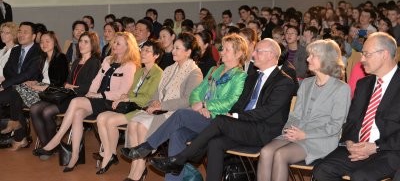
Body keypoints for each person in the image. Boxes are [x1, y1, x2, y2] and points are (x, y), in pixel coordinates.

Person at [148, 38, 297, 181]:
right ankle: (183, 160)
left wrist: (235, 116)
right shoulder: (252, 77)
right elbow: (239, 103)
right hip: (245, 126)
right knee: (215, 143)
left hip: (264, 131)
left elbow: (266, 111)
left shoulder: (284, 81)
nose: (253, 54)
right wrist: (233, 113)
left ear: (271, 55)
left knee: (219, 120)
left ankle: (180, 159)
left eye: (258, 51)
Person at [121, 33, 248, 181]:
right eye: (222, 48)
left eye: (226, 49)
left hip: (217, 120)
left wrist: (206, 104)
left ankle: (147, 147)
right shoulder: (215, 69)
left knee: (181, 114)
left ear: (238, 53)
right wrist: (199, 105)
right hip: (201, 115)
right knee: (177, 134)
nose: (222, 52)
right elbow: (197, 92)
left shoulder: (240, 76)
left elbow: (231, 101)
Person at [33, 32, 140, 172]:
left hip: (112, 102)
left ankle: (56, 140)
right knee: (77, 114)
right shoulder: (107, 59)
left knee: (76, 102)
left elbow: (122, 92)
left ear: (128, 47)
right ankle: (74, 156)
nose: (114, 45)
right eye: (114, 42)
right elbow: (97, 80)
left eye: (118, 43)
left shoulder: (130, 65)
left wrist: (99, 95)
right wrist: (91, 92)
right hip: (98, 99)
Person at [257, 39, 351, 181]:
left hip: (321, 139)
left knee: (280, 154)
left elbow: (335, 126)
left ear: (326, 59)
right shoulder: (306, 83)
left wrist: (305, 135)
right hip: (298, 132)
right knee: (265, 151)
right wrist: (289, 130)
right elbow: (296, 114)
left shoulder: (341, 88)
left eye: (313, 56)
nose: (308, 59)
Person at [313, 32, 400, 181]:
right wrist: (350, 142)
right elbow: (352, 120)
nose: (362, 59)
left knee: (360, 177)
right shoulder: (364, 84)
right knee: (322, 171)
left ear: (384, 54)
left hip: (389, 150)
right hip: (357, 146)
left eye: (366, 54)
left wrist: (375, 147)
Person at [121, 32, 203, 181]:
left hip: (175, 114)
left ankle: (138, 172)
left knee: (141, 126)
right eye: (174, 48)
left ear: (188, 52)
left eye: (178, 48)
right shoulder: (169, 69)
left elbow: (187, 100)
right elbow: (158, 93)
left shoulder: (194, 72)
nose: (173, 51)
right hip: (160, 109)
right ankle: (136, 168)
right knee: (133, 123)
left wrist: (161, 105)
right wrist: (152, 103)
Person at [95, 39, 163, 175]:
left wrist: (128, 98)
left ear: (156, 56)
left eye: (147, 51)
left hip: (142, 109)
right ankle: (109, 152)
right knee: (101, 117)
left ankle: (114, 156)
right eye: (142, 50)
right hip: (132, 107)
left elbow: (147, 98)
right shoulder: (139, 72)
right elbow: (132, 92)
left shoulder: (158, 73)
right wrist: (123, 97)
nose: (143, 53)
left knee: (110, 121)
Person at [30, 31, 101, 151]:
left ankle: (51, 145)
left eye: (86, 42)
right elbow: (66, 80)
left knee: (47, 112)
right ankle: (46, 144)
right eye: (80, 41)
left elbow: (91, 86)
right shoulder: (77, 61)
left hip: (78, 98)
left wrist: (72, 87)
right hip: (65, 94)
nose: (81, 44)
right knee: (34, 109)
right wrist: (67, 84)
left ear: (92, 45)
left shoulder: (94, 62)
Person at [1, 31, 69, 150]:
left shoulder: (60, 57)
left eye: (47, 41)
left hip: (55, 92)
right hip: (42, 90)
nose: (44, 44)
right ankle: (46, 146)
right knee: (16, 89)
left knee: (15, 90)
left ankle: (15, 122)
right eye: (42, 42)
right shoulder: (42, 58)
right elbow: (39, 77)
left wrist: (40, 87)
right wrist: (34, 83)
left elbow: (59, 83)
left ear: (55, 42)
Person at [0, 22, 42, 149]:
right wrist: (16, 80)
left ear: (33, 36)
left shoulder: (38, 51)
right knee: (14, 92)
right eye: (19, 31)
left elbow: (29, 73)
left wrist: (6, 83)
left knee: (14, 93)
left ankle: (18, 135)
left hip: (34, 89)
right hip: (16, 88)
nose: (21, 34)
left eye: (25, 32)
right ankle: (16, 129)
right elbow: (7, 70)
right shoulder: (16, 50)